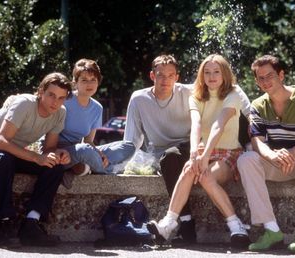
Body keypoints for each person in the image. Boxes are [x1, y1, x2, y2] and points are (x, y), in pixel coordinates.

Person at [146, 54, 251, 248]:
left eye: (216, 72)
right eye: (207, 72)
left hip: (228, 153)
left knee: (205, 177)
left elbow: (218, 126)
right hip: (205, 150)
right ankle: (168, 223)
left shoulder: (233, 94)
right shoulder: (196, 95)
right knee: (188, 168)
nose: (211, 76)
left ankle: (236, 226)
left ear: (225, 74)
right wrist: (195, 154)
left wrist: (202, 157)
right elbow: (196, 124)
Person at [237, 55, 295, 253]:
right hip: (280, 163)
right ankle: (271, 230)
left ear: (281, 75)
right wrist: (272, 156)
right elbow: (257, 142)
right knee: (246, 159)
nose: (265, 82)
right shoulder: (258, 105)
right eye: (260, 78)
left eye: (269, 76)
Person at [0, 72, 73, 247]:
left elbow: (48, 149)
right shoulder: (24, 103)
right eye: (51, 95)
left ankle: (31, 224)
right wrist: (35, 157)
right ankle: (5, 223)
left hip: (13, 153)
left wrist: (59, 153)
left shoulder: (60, 113)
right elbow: (0, 141)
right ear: (41, 91)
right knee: (2, 158)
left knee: (54, 166)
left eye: (61, 98)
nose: (55, 102)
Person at [124, 54, 197, 243]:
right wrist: (123, 163)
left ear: (177, 77)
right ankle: (187, 223)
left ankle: (187, 223)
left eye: (170, 75)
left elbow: (222, 91)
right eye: (161, 75)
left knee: (171, 156)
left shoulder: (189, 92)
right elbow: (131, 139)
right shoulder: (139, 99)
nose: (165, 80)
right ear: (152, 76)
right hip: (160, 153)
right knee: (168, 158)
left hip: (190, 147)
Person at [58, 58, 135, 189]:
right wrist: (90, 152)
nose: (89, 84)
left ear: (98, 82)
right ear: (75, 82)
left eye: (93, 80)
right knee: (84, 151)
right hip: (61, 151)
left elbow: (88, 141)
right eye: (84, 80)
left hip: (83, 149)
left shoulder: (97, 108)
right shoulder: (65, 100)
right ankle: (106, 171)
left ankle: (89, 167)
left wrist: (100, 154)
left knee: (128, 146)